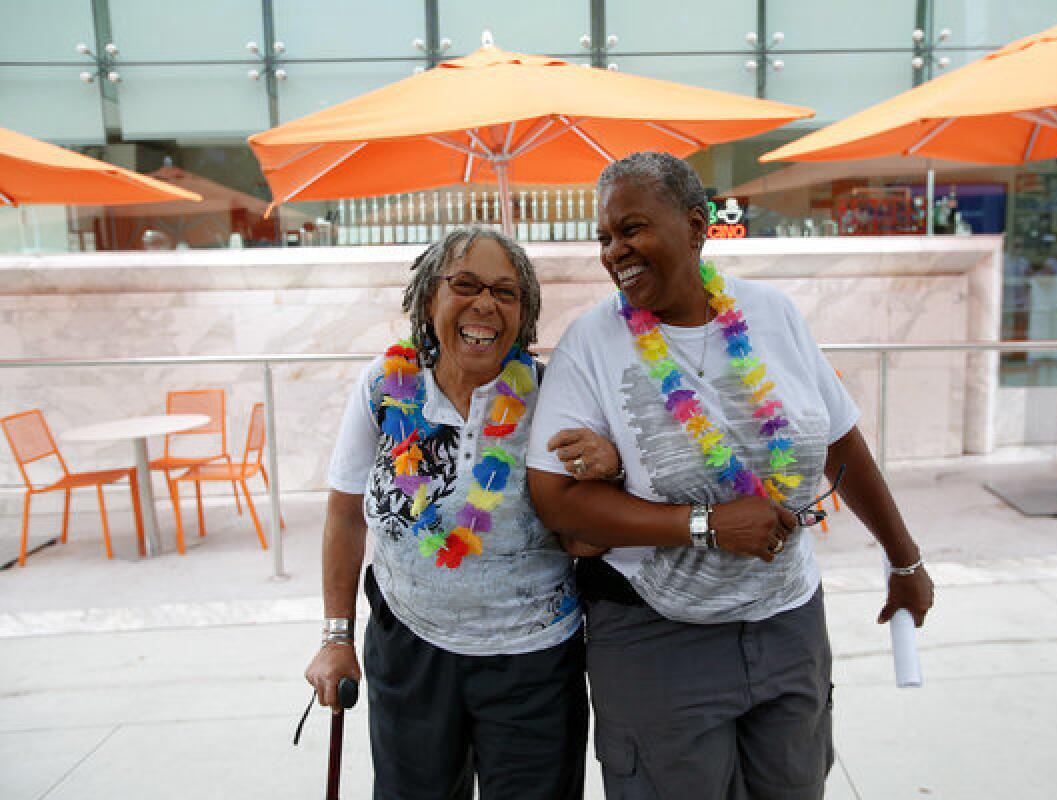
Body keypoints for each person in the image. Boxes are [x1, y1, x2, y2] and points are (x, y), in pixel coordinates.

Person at [527, 152, 935, 800]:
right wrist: (704, 526)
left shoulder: (772, 314)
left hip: (788, 623)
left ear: (696, 225)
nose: (614, 251)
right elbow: (555, 500)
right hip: (659, 638)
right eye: (605, 236)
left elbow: (839, 441)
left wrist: (904, 560)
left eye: (631, 228)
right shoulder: (592, 343)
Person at [305, 227, 621, 800]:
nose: (485, 305)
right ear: (430, 298)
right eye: (466, 285)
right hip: (410, 647)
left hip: (532, 662)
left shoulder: (554, 395)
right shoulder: (384, 386)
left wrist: (609, 471)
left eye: (506, 293)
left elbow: (586, 543)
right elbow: (346, 515)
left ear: (523, 316)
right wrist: (335, 637)